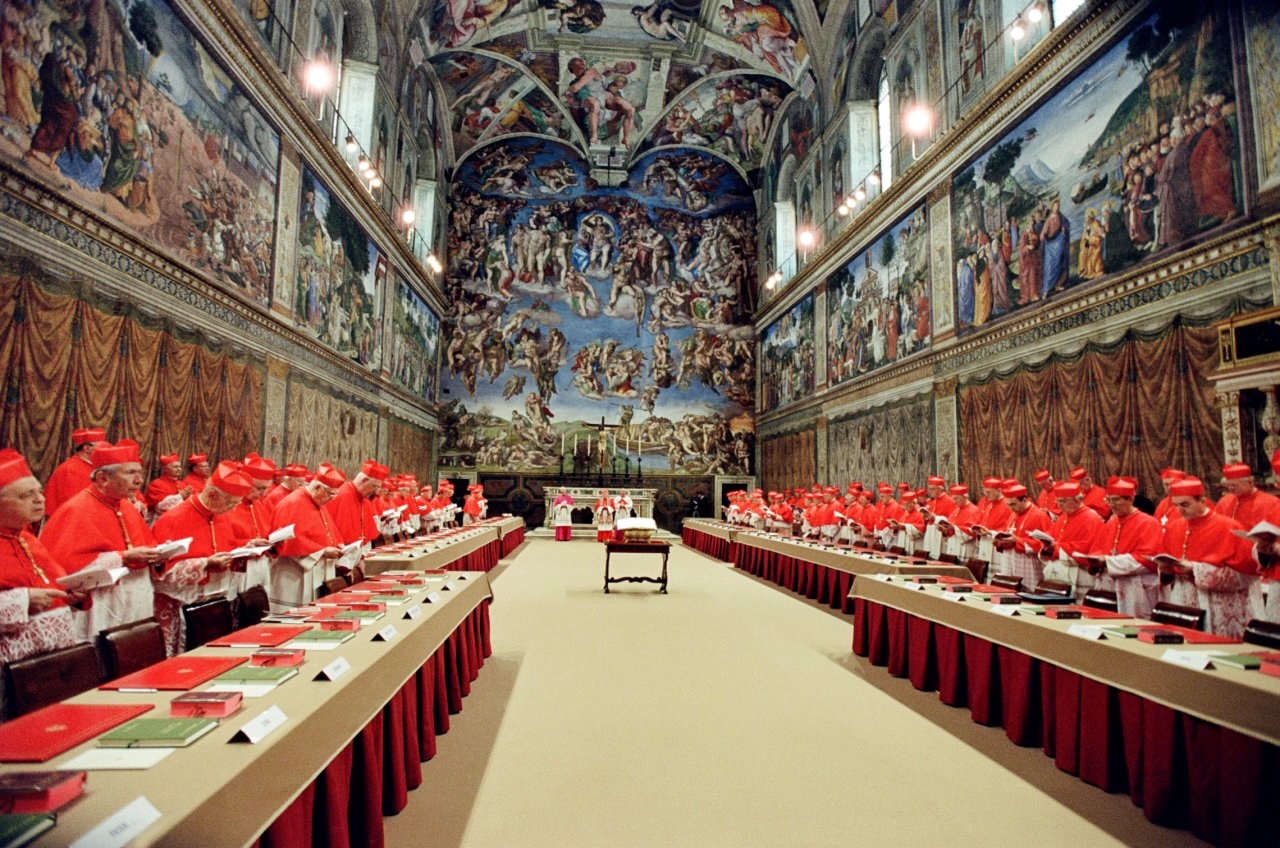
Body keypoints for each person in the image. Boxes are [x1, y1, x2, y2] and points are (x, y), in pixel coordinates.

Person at [40, 441, 161, 641]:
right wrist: (122, 557)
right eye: (131, 473)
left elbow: (145, 543)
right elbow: (67, 567)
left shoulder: (126, 505)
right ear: (103, 478)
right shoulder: (76, 509)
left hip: (136, 597)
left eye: (139, 472)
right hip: (102, 602)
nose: (139, 480)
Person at [150, 461, 254, 655]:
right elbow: (161, 574)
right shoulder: (174, 518)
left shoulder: (220, 514)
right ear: (213, 494)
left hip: (215, 604)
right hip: (182, 607)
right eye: (231, 503)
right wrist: (205, 564)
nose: (232, 509)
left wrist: (245, 548)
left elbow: (223, 546)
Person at [0, 449, 87, 669]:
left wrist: (70, 596)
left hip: (52, 661)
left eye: (38, 491)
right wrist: (23, 600)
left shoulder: (29, 539)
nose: (40, 500)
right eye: (25, 495)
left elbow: (51, 584)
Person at [1160, 476, 1260, 638]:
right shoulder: (1174, 527)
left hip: (1219, 604)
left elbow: (1246, 575)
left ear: (1202, 500)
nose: (1180, 510)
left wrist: (1196, 570)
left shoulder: (1229, 527)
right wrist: (1166, 570)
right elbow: (1167, 565)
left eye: (1185, 504)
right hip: (1183, 599)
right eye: (1176, 505)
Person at [269, 463, 346, 607]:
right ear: (318, 488)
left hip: (317, 570)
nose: (332, 498)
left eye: (336, 495)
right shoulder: (293, 502)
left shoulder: (318, 503)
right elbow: (290, 541)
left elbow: (328, 532)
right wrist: (322, 551)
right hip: (294, 574)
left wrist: (338, 545)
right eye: (331, 494)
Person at [1088, 477, 1164, 618]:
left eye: (1116, 500)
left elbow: (1147, 560)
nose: (1112, 505)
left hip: (1139, 590)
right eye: (1109, 500)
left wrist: (1107, 561)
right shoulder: (1111, 523)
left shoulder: (1149, 523)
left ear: (1130, 499)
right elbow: (1099, 549)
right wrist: (1096, 561)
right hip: (1112, 587)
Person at [1038, 481, 1104, 595]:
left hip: (1079, 574)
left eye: (1062, 501)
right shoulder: (1062, 517)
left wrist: (1056, 548)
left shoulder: (1092, 518)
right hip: (1057, 573)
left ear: (1077, 500)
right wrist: (1046, 547)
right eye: (1057, 501)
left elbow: (1086, 549)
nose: (1059, 506)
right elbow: (1050, 538)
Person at [990, 483, 1053, 590]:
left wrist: (1018, 541)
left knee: (1027, 593)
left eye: (1013, 504)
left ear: (1024, 500)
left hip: (1028, 563)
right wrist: (1000, 541)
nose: (1010, 508)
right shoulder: (1014, 513)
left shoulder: (1039, 515)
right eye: (1008, 505)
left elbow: (1046, 544)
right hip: (1009, 560)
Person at [42, 427, 105, 519]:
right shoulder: (69, 470)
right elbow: (73, 506)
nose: (104, 451)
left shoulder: (96, 466)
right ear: (87, 448)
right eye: (101, 447)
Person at [327, 460, 386, 546]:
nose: (375, 491)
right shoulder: (343, 494)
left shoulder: (364, 498)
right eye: (374, 486)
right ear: (364, 480)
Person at [1214, 462, 1280, 530]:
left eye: (1234, 485)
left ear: (1250, 482)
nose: (1230, 488)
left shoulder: (1272, 503)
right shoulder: (1225, 501)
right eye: (1228, 485)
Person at [144, 452, 192, 520]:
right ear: (165, 469)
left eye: (179, 466)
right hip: (162, 520)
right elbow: (160, 507)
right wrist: (180, 496)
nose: (179, 469)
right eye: (175, 467)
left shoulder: (182, 484)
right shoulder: (156, 484)